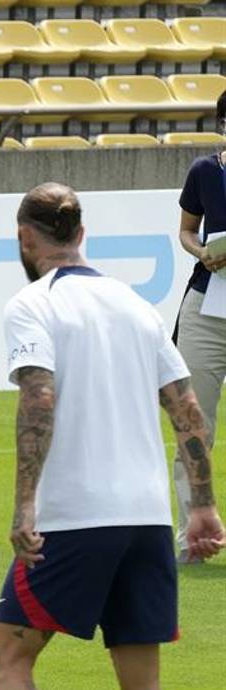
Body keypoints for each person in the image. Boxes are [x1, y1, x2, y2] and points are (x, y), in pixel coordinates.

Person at [0, 183, 224, 690]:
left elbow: (39, 396)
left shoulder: (33, 304)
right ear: (82, 233)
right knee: (142, 679)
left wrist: (25, 504)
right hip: (147, 517)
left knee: (7, 657)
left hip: (76, 517)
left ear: (26, 239)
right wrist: (202, 504)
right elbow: (187, 409)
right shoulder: (136, 306)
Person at [173, 89, 226, 565]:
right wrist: (201, 252)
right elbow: (187, 230)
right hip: (207, 307)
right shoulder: (204, 172)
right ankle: (192, 532)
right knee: (194, 422)